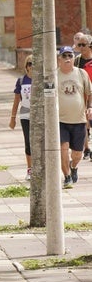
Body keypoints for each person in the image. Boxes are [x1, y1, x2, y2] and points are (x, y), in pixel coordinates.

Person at [56, 45, 92, 188]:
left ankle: (74, 166)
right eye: (64, 56)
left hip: (79, 120)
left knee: (77, 154)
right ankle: (67, 177)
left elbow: (90, 92)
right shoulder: (54, 75)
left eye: (70, 56)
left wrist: (89, 107)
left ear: (73, 58)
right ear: (59, 59)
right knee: (63, 149)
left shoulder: (81, 73)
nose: (67, 59)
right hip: (60, 121)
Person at [9, 56, 33, 180]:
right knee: (28, 142)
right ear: (26, 66)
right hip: (25, 115)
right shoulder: (21, 80)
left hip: (40, 116)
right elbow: (16, 100)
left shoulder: (42, 80)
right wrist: (12, 117)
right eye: (29, 64)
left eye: (34, 64)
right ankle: (30, 169)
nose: (32, 66)